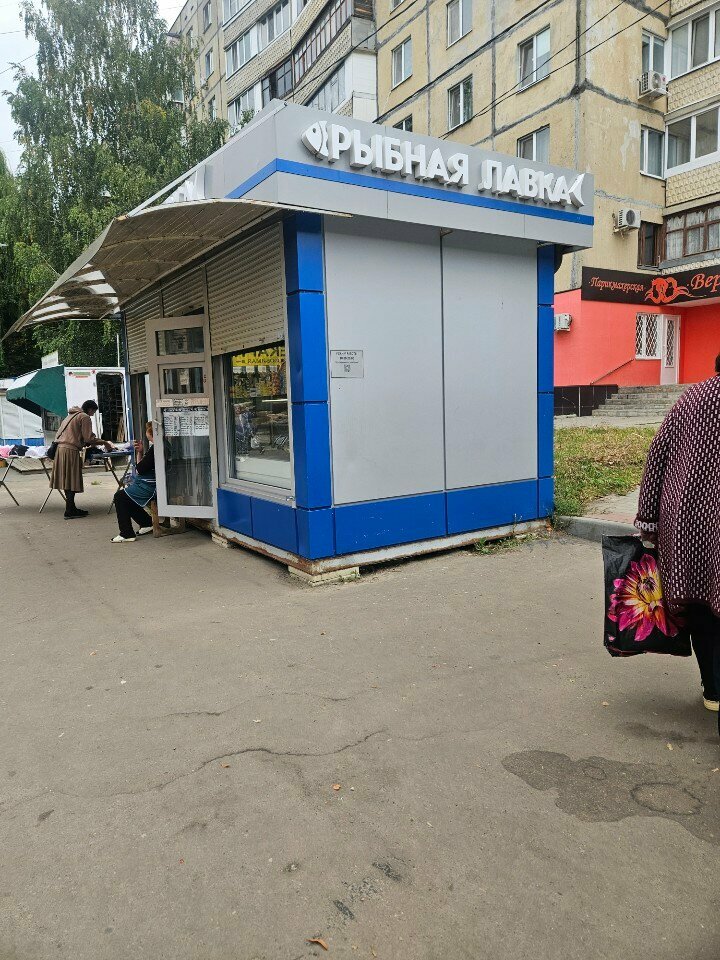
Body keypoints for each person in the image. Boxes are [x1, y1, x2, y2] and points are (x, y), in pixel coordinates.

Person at [635, 353, 720, 728]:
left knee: (698, 604)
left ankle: (713, 689)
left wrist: (648, 521)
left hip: (685, 523)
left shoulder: (690, 399)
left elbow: (656, 457)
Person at [50, 400, 112, 519]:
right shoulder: (84, 417)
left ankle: (71, 508)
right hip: (70, 450)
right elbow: (88, 438)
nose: (92, 415)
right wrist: (105, 442)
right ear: (90, 409)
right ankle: (69, 511)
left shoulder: (70, 416)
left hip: (60, 450)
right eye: (93, 412)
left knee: (67, 480)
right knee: (72, 480)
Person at [111, 422, 156, 543]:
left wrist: (140, 454)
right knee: (126, 496)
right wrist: (140, 452)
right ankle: (146, 523)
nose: (150, 441)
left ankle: (126, 533)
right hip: (150, 483)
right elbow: (140, 468)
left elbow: (139, 469)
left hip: (150, 485)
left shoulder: (155, 449)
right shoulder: (159, 447)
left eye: (150, 439)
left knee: (119, 496)